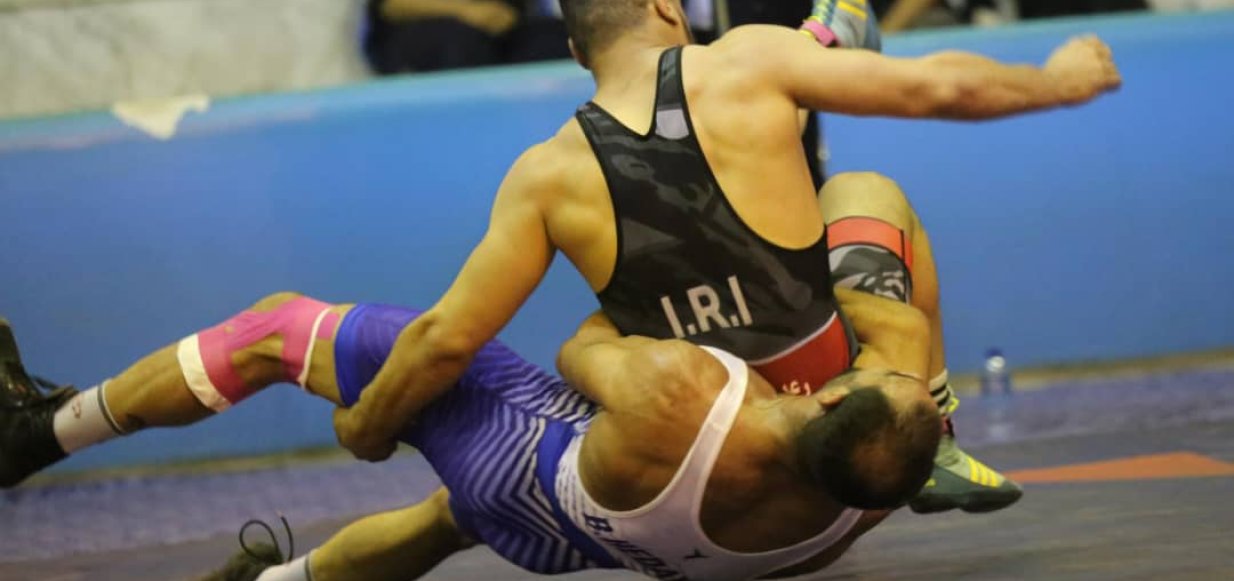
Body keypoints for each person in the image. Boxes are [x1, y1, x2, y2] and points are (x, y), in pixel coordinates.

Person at [331, 0, 1120, 515]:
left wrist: (369, 425)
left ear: (576, 49)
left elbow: (445, 339)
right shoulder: (745, 65)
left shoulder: (544, 174)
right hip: (834, 400)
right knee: (867, 190)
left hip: (704, 444)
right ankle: (934, 424)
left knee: (591, 338)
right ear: (667, 7)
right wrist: (1057, 81)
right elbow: (939, 90)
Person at [0, 276, 938, 580]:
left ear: (827, 399)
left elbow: (582, 347)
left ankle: (40, 434)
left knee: (274, 331)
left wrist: (657, 301)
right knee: (448, 521)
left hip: (521, 448)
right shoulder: (841, 522)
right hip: (569, 543)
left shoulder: (683, 391)